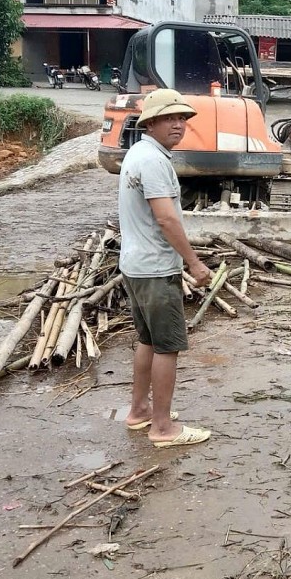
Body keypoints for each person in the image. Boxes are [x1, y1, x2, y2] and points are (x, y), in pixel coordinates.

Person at [118, 88, 213, 448]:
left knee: (148, 340)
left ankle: (139, 410)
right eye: (170, 119)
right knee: (167, 346)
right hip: (155, 269)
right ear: (151, 122)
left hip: (135, 265)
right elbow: (166, 219)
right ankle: (163, 428)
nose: (178, 125)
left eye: (182, 119)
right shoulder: (155, 161)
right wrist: (194, 262)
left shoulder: (138, 153)